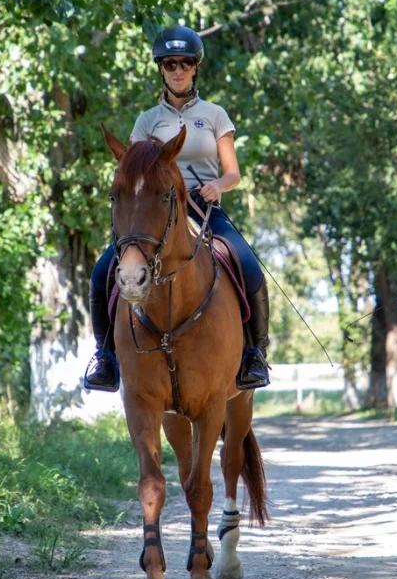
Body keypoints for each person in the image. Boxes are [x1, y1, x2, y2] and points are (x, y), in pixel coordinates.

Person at [83, 25, 271, 393]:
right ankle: (105, 357)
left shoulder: (215, 115)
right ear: (161, 69)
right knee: (102, 271)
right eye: (170, 64)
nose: (178, 70)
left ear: (196, 67)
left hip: (204, 207)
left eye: (185, 63)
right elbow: (133, 170)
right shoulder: (147, 120)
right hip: (155, 210)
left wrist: (219, 184)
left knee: (247, 263)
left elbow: (233, 172)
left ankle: (255, 355)